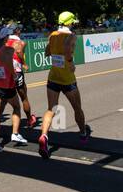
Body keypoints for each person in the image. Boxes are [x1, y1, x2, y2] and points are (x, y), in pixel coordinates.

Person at [38, 11, 90, 159]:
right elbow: (68, 49)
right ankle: (83, 133)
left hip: (53, 76)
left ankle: (44, 136)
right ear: (69, 22)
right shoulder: (71, 35)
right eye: (72, 21)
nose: (73, 23)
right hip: (67, 78)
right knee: (77, 107)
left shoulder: (53, 35)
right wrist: (70, 62)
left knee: (51, 109)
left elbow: (47, 51)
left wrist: (54, 53)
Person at [0, 26, 27, 151]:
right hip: (8, 85)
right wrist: (15, 76)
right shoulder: (8, 49)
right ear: (5, 38)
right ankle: (15, 133)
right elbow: (10, 65)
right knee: (16, 107)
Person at [6, 24, 36, 128]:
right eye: (20, 30)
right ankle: (29, 120)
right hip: (17, 72)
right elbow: (19, 51)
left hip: (5, 73)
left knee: (2, 100)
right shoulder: (21, 42)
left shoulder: (4, 42)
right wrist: (24, 63)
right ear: (17, 31)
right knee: (24, 97)